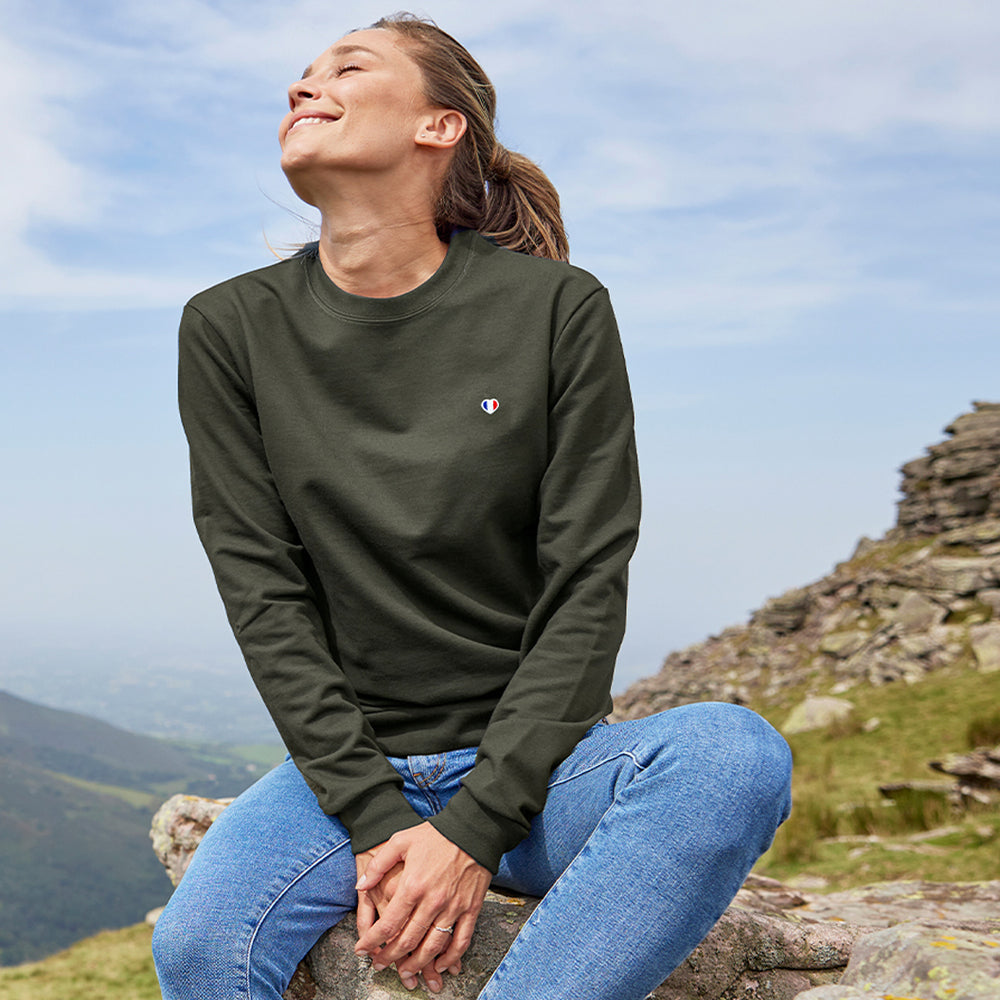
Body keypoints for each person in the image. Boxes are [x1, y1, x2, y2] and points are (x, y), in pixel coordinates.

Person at [152, 13, 792, 1000]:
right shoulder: (229, 326)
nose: (303, 88)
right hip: (347, 781)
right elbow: (263, 592)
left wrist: (474, 831)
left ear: (439, 126)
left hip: (545, 778)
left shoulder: (556, 308)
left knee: (732, 756)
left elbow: (586, 582)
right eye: (304, 74)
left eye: (347, 67)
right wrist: (379, 819)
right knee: (198, 948)